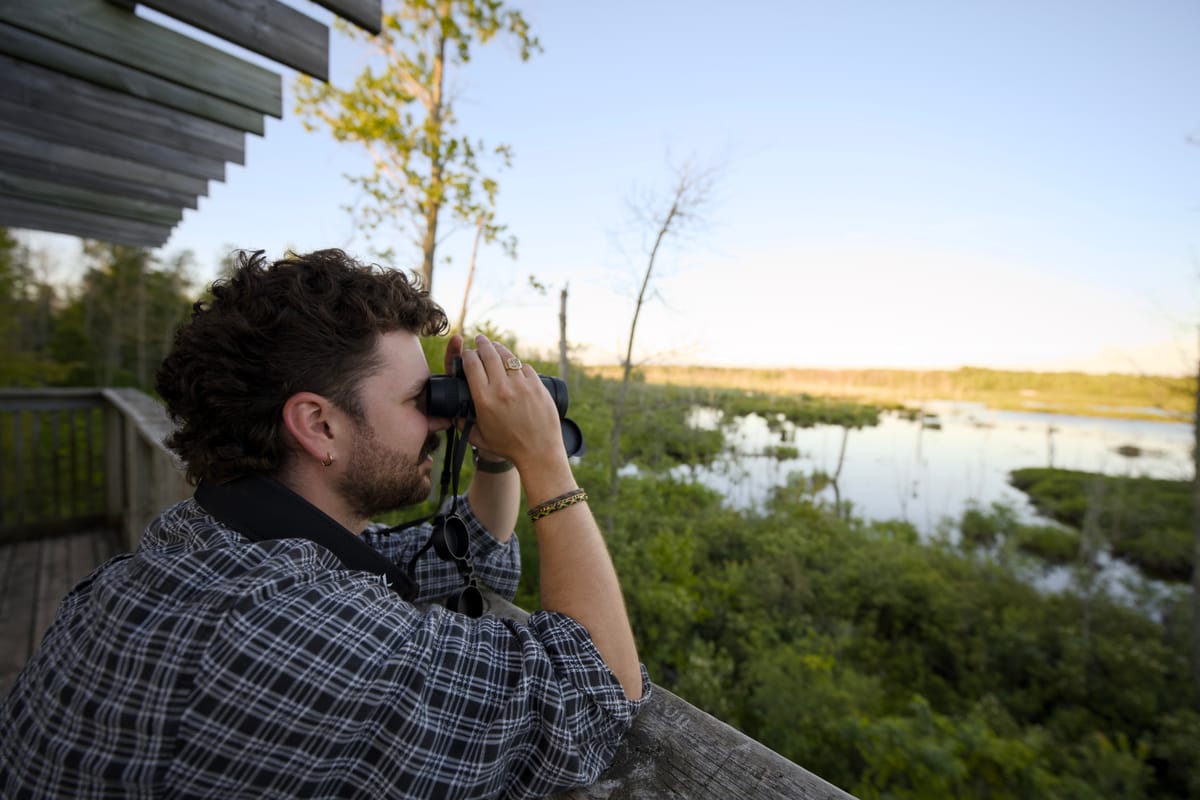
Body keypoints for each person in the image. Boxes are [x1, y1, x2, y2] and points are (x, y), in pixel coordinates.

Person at [0, 249, 648, 799]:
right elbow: (594, 693)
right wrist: (547, 460)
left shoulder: (204, 540)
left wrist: (499, 454)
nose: (438, 419)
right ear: (318, 424)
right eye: (416, 401)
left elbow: (465, 548)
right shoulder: (290, 633)